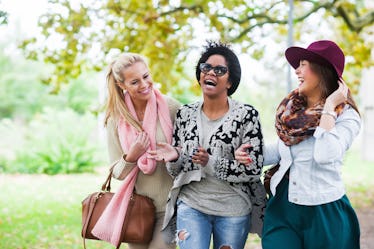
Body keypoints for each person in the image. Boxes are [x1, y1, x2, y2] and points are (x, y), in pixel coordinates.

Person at [235, 40, 361, 249]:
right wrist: (248, 154)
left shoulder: (347, 117)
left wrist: (329, 106)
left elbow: (325, 154)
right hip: (283, 208)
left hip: (324, 212)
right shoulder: (293, 114)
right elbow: (283, 150)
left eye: (303, 64)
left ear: (323, 70)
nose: (296, 70)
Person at [148, 41, 266, 249]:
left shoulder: (246, 116)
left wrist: (210, 162)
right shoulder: (185, 114)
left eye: (220, 70)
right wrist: (174, 158)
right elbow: (176, 170)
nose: (211, 73)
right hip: (192, 205)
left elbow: (253, 168)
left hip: (233, 209)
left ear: (230, 82)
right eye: (206, 67)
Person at [91, 53, 181, 249]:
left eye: (146, 76)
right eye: (134, 81)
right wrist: (132, 156)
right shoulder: (116, 118)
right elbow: (117, 172)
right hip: (136, 207)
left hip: (171, 206)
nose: (144, 84)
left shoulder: (171, 107)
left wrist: (175, 152)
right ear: (122, 85)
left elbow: (189, 150)